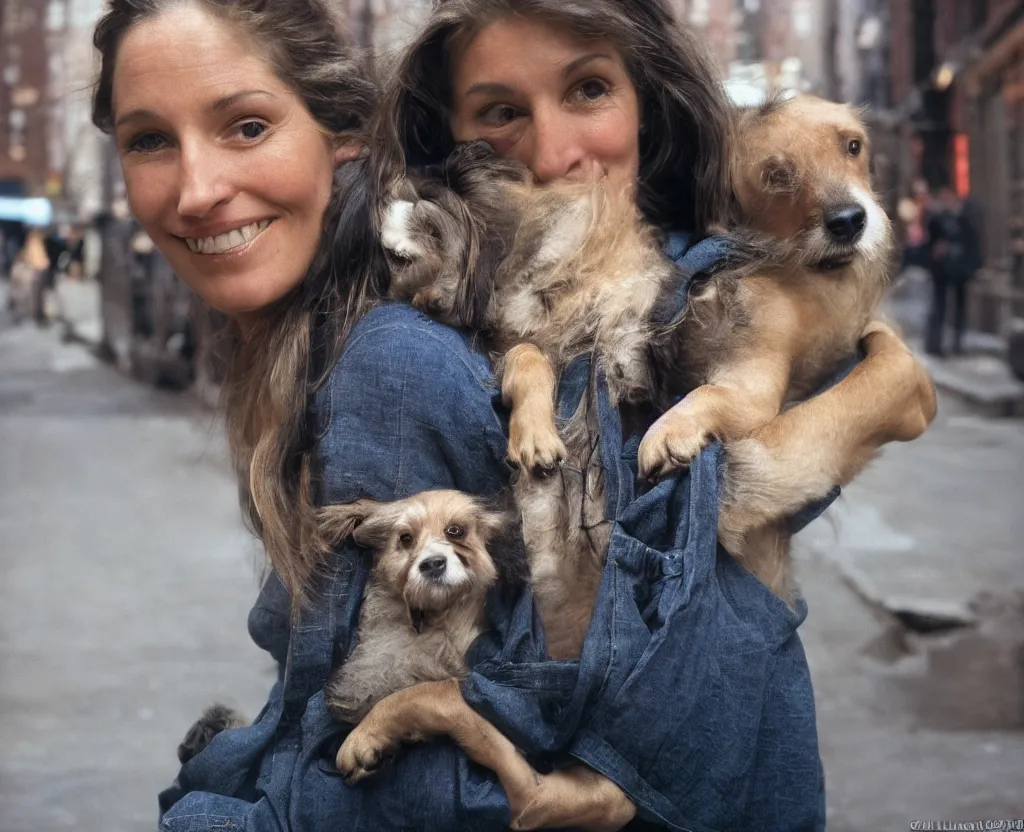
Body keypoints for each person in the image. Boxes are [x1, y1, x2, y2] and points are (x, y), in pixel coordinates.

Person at [92, 0, 936, 830]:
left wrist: (213, 810)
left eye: (244, 126)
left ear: (346, 133)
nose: (200, 190)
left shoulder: (399, 358)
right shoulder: (456, 318)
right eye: (149, 140)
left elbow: (450, 784)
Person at [925, 185, 973, 356]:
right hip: (941, 271)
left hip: (959, 270)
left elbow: (971, 242)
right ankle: (934, 344)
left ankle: (957, 344)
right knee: (939, 307)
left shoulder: (963, 218)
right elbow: (930, 242)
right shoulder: (936, 219)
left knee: (959, 308)